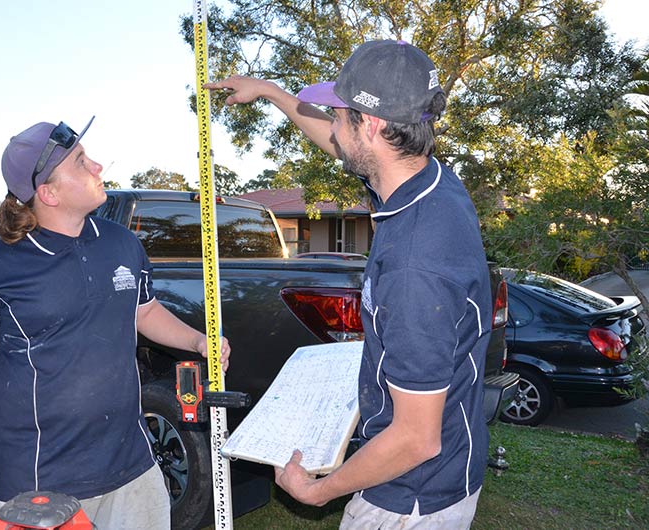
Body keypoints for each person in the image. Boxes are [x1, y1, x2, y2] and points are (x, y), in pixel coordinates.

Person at [206, 39, 491, 529]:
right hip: (442, 472)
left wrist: (319, 490)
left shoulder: (415, 264)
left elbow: (415, 439)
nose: (332, 128)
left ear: (374, 126)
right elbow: (337, 140)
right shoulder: (428, 181)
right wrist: (273, 93)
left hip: (408, 497)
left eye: (340, 114)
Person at [0, 116, 230, 530]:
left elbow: (143, 311)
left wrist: (198, 341)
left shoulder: (122, 243)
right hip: (42, 486)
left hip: (134, 468)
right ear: (49, 192)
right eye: (80, 162)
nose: (97, 167)